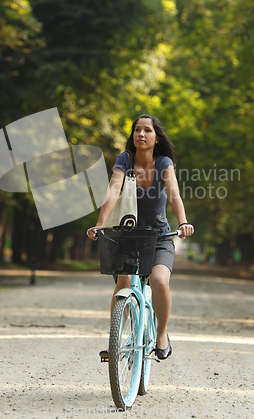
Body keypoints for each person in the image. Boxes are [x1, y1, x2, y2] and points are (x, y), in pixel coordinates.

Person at [87, 114, 194, 359]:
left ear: (156, 138)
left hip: (159, 236)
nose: (141, 134)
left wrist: (183, 222)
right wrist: (100, 225)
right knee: (124, 281)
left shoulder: (164, 162)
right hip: (128, 236)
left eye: (147, 130)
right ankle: (116, 340)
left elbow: (174, 194)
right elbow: (114, 190)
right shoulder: (125, 159)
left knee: (158, 281)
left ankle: (162, 335)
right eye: (137, 130)